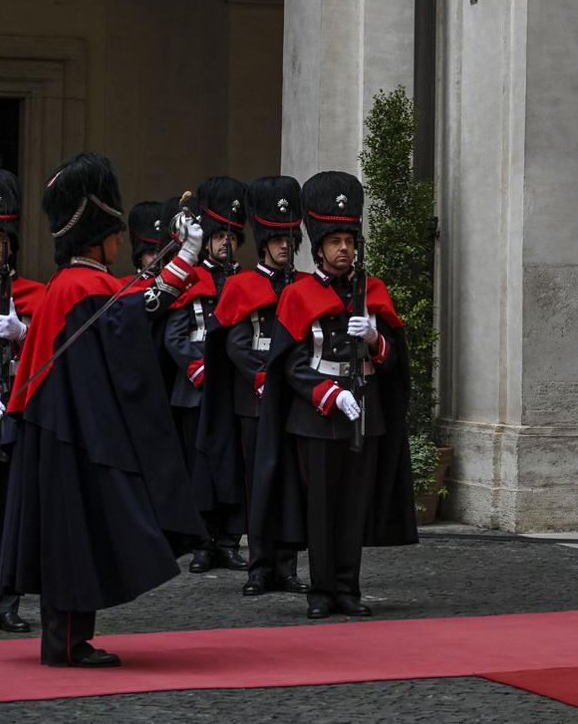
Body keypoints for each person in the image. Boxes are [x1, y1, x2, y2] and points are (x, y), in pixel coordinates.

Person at [0, 151, 207, 667]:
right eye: (114, 235)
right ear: (97, 237)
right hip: (72, 435)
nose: (120, 244)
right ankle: (66, 644)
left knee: (76, 538)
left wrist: (180, 260)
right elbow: (133, 323)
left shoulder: (73, 284)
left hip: (68, 431)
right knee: (73, 540)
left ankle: (69, 639)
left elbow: (132, 305)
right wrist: (185, 260)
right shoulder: (81, 286)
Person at [252, 170, 417, 620]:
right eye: (335, 240)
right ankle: (321, 590)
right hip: (316, 417)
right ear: (319, 246)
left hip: (365, 413)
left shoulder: (373, 291)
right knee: (321, 506)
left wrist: (377, 342)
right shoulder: (299, 294)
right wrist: (328, 394)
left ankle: (348, 587)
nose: (344, 248)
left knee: (354, 505)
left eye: (349, 239)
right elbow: (292, 364)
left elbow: (395, 361)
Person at [198, 175, 309, 597]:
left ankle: (287, 565)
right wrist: (265, 379)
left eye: (289, 238)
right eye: (277, 238)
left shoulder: (302, 285)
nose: (284, 245)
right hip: (255, 401)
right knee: (258, 485)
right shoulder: (242, 285)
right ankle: (260, 566)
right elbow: (237, 344)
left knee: (291, 487)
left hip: (294, 401)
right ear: (263, 241)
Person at [164, 178, 248, 573]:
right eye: (219, 236)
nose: (225, 243)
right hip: (195, 389)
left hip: (231, 390)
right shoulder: (190, 278)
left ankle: (229, 540)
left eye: (232, 235)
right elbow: (176, 336)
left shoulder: (243, 282)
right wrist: (200, 370)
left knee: (231, 466)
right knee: (198, 469)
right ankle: (201, 541)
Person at [0, 169, 44, 636]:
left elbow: (43, 355)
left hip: (12, 414)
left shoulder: (27, 292)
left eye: (3, 235)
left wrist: (24, 337)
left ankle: (5, 601)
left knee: (8, 516)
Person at [122, 201, 165, 291]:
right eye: (150, 252)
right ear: (140, 254)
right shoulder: (123, 286)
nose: (156, 257)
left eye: (162, 252)